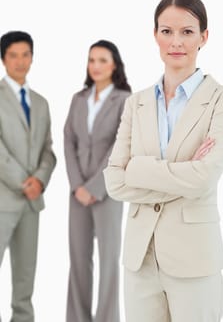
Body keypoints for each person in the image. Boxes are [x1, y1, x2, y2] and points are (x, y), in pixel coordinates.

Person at [104, 0, 223, 322]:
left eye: (187, 32)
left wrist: (140, 170)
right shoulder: (136, 103)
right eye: (167, 31)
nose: (176, 41)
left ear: (204, 36)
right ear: (155, 35)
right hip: (140, 262)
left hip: (194, 262)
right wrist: (183, 173)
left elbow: (205, 178)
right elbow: (115, 181)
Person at [64, 39, 131, 322]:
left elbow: (121, 145)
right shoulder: (79, 99)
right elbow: (69, 141)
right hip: (77, 193)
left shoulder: (124, 99)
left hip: (108, 192)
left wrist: (94, 187)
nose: (96, 66)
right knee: (78, 262)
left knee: (108, 262)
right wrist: (78, 185)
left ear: (114, 64)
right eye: (92, 60)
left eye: (102, 60)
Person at [0, 31, 56, 322]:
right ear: (3, 59)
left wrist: (40, 180)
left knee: (25, 280)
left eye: (25, 55)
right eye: (13, 55)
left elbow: (48, 150)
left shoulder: (41, 102)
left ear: (32, 57)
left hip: (31, 203)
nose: (20, 61)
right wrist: (24, 181)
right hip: (3, 199)